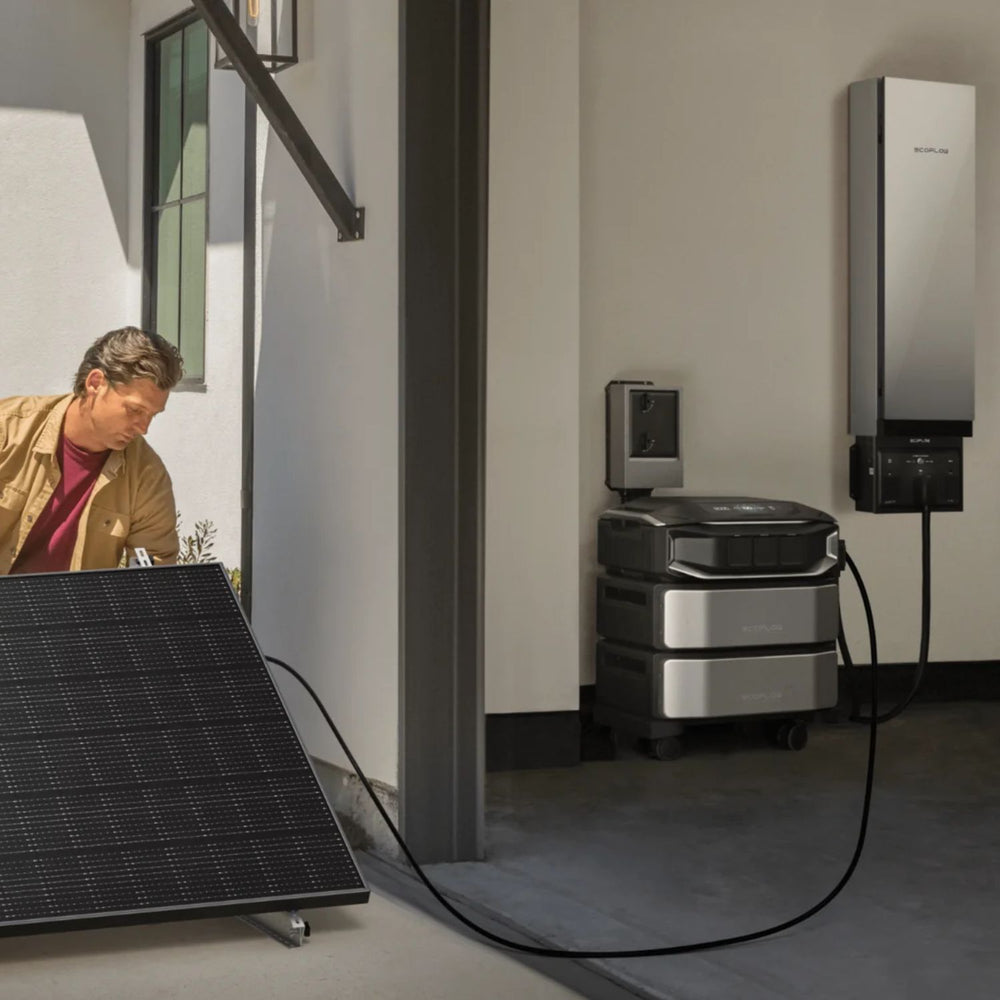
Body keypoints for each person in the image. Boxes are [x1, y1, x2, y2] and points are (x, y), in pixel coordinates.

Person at [0, 327, 185, 575]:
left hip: (72, 613)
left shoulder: (147, 476)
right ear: (95, 383)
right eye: (134, 410)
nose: (144, 428)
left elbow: (153, 578)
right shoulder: (8, 431)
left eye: (152, 415)